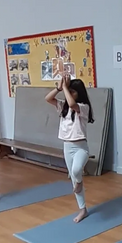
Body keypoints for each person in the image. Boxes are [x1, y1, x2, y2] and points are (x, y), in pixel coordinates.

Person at [45, 74, 94, 223]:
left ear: (79, 93)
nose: (69, 94)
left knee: (76, 171)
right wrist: (59, 88)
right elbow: (48, 98)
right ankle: (83, 209)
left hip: (81, 147)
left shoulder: (83, 108)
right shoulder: (62, 107)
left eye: (72, 91)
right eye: (69, 91)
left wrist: (65, 87)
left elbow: (73, 104)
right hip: (67, 146)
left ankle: (79, 182)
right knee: (74, 178)